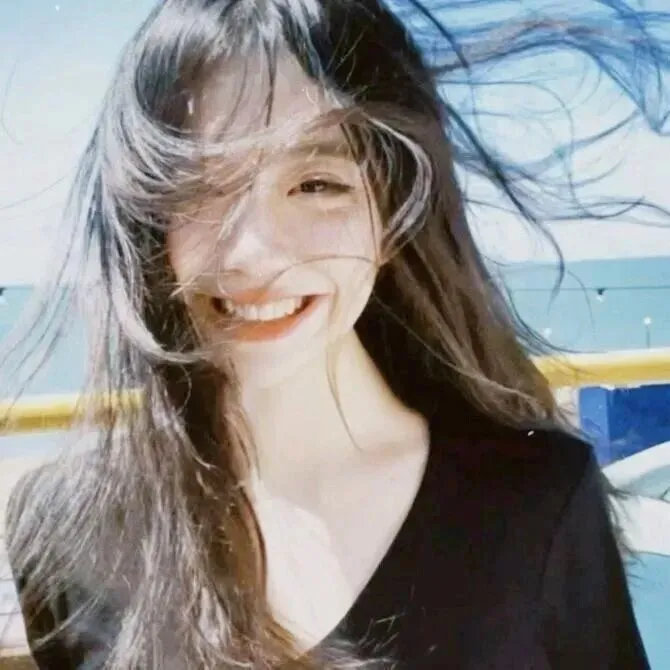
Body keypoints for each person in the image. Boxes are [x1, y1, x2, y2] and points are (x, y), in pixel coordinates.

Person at [2, 0, 667, 667]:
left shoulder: (533, 501)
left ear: (394, 208)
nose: (253, 255)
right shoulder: (65, 530)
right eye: (199, 189)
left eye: (316, 184)